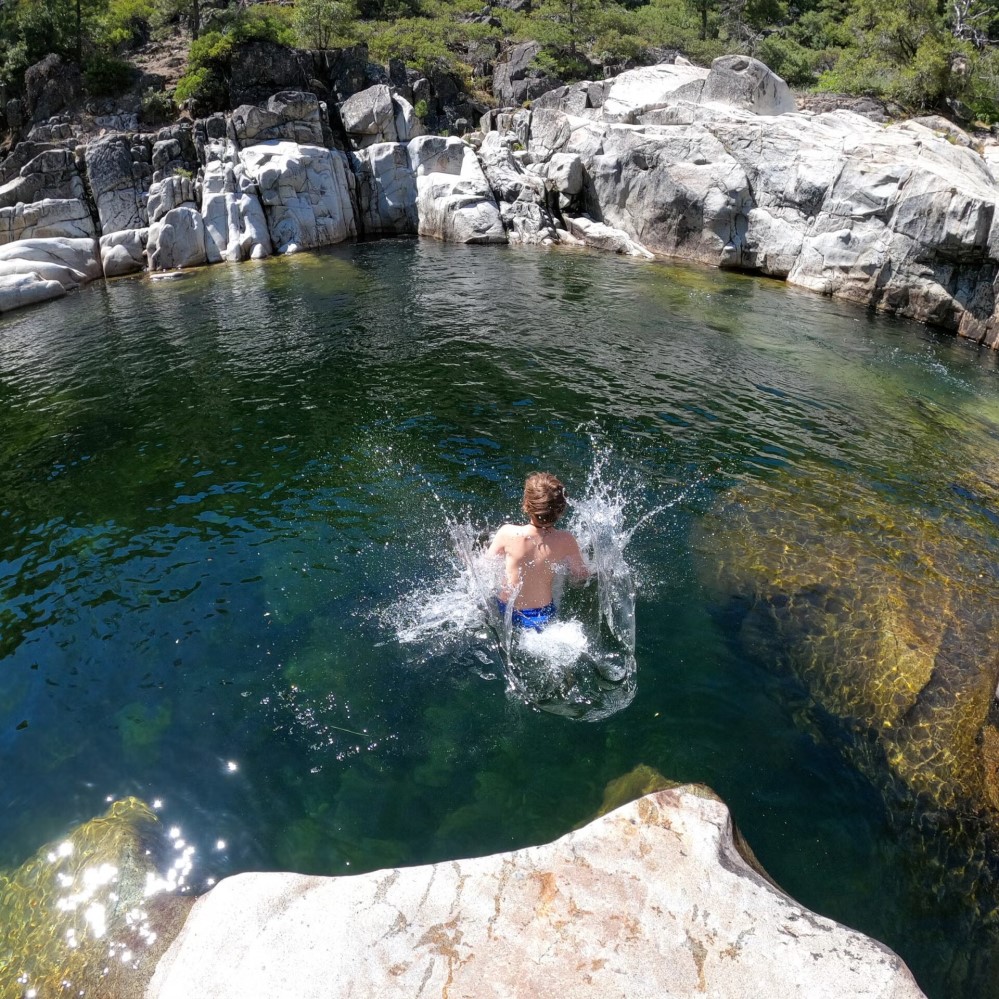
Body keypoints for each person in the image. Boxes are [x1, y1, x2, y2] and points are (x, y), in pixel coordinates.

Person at [487, 472, 590, 631]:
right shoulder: (566, 540)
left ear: (525, 504)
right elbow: (580, 575)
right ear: (561, 510)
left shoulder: (507, 533)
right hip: (543, 614)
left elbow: (485, 566)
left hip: (507, 609)